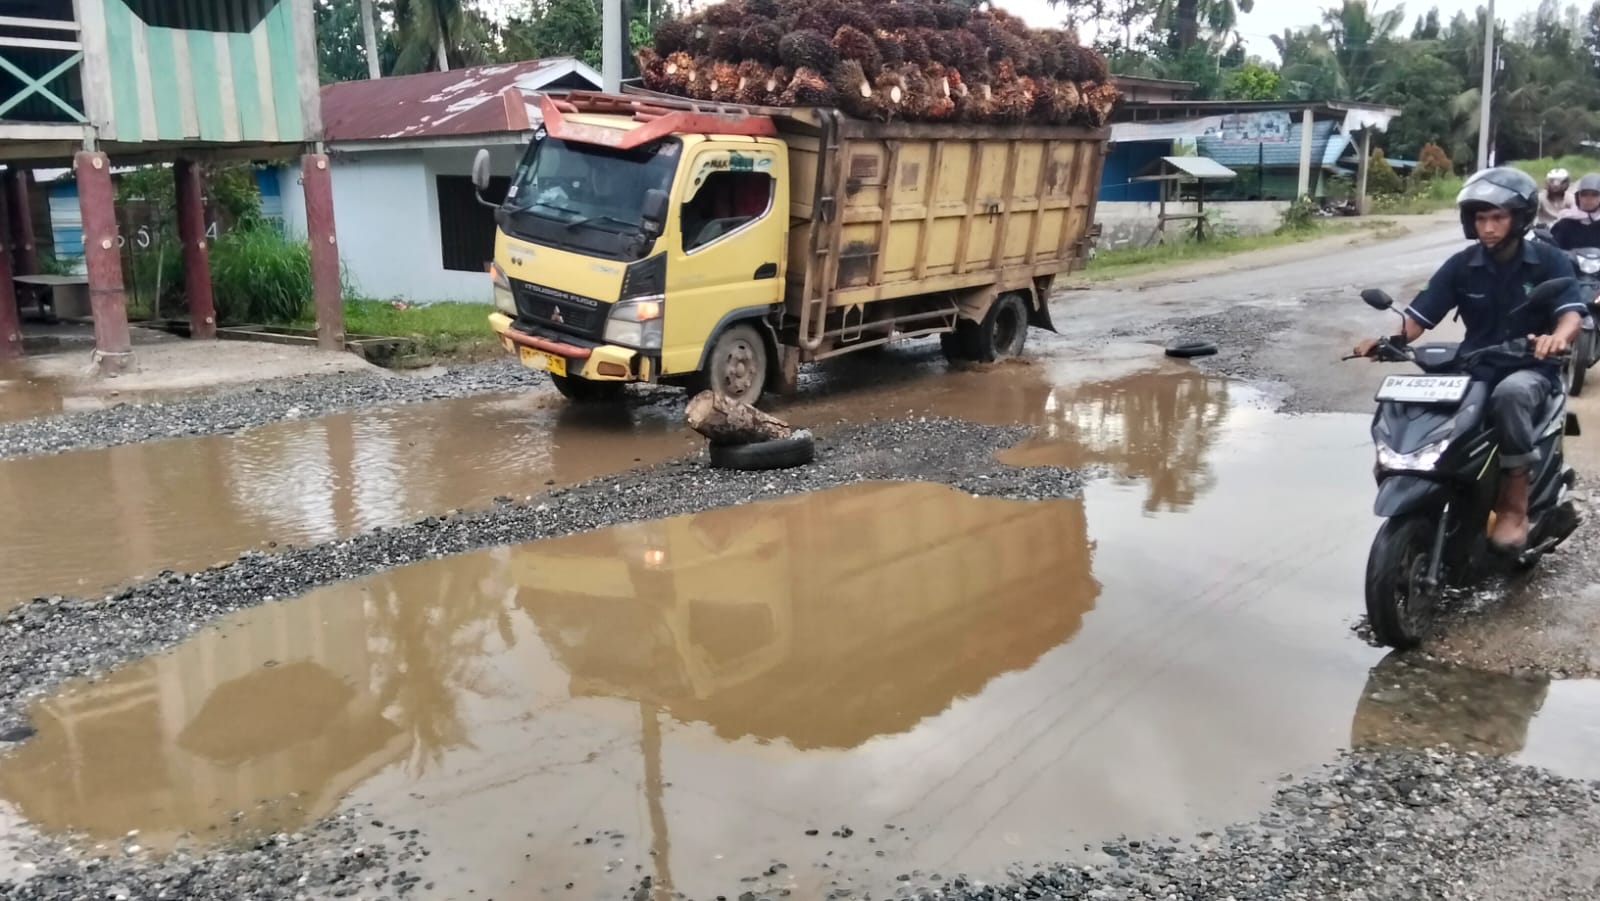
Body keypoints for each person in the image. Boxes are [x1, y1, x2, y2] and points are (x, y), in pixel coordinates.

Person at [1353, 167, 1587, 551]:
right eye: (1480, 218)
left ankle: (1513, 505)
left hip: (1530, 368)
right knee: (1420, 403)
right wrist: (1389, 341)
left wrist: (1556, 339)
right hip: (1475, 366)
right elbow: (1420, 316)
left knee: (1510, 395)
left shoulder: (1549, 261)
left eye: (1497, 217)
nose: (1488, 227)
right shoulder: (1462, 264)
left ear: (1519, 218)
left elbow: (1571, 315)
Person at [1552, 173, 1600, 250]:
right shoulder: (1565, 223)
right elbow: (1552, 249)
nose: (1589, 198)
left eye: (1594, 194)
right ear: (1578, 197)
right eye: (1584, 194)